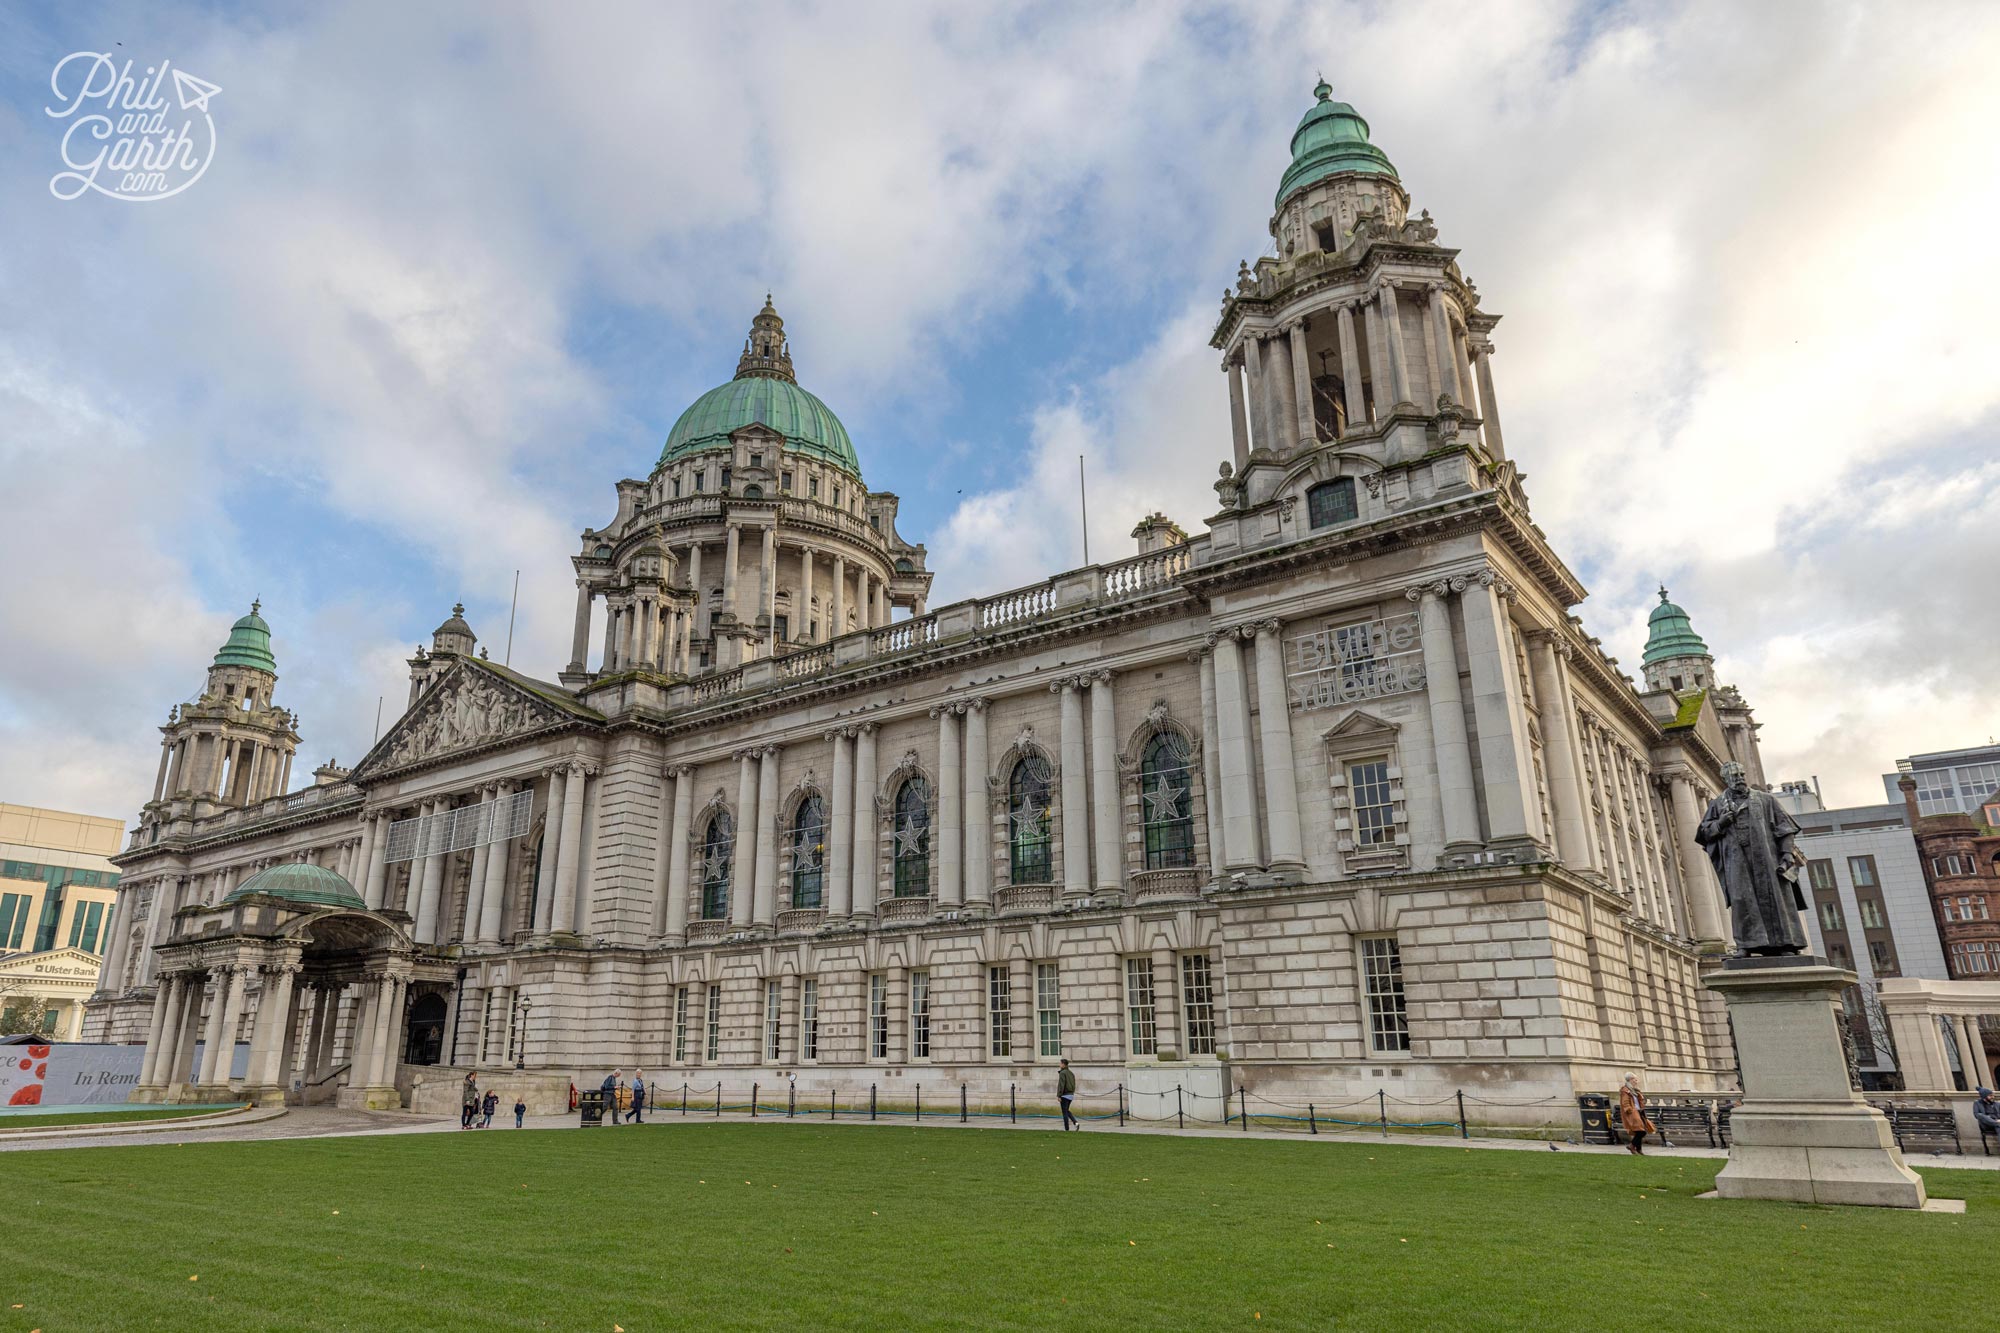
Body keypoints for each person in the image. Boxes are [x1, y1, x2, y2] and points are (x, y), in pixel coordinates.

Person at [1618, 1074, 1657, 1155]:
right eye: (1635, 1080)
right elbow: (1625, 1103)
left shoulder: (1635, 1090)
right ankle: (1632, 1146)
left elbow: (1639, 1100)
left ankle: (1638, 1149)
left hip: (1640, 1112)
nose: (1636, 1081)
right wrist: (1630, 1111)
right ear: (1631, 1080)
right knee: (1641, 1131)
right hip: (1633, 1112)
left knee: (1641, 1130)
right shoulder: (1625, 1090)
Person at [1057, 1058, 1079, 1131]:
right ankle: (1075, 1122)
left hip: (1064, 1095)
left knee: (1064, 1113)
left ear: (1063, 1064)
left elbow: (1061, 1085)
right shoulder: (1071, 1073)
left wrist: (1059, 1095)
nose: (1059, 1065)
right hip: (1070, 1095)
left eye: (1060, 1063)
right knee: (1066, 1110)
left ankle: (1067, 1129)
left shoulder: (1062, 1073)